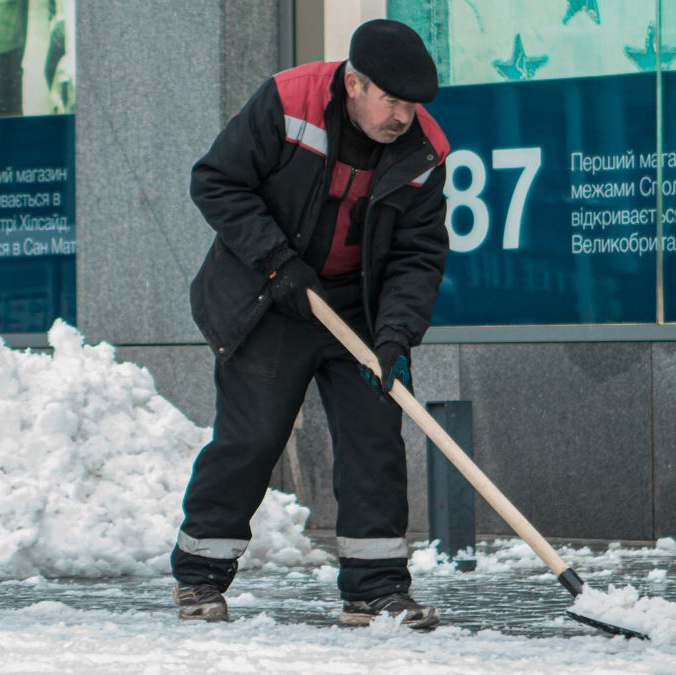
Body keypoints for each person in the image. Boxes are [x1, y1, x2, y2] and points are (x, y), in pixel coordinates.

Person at [171, 19, 450, 629]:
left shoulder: (426, 153)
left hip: (359, 311)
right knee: (253, 438)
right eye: (392, 101)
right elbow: (216, 181)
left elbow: (418, 256)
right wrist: (276, 260)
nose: (404, 116)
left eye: (413, 105)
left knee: (375, 441)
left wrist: (396, 337)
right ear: (354, 83)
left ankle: (375, 591)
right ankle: (199, 577)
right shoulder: (288, 100)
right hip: (271, 298)